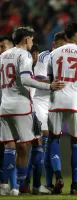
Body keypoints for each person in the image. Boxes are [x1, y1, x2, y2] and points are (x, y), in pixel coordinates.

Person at [0, 27, 65, 195]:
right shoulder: (24, 55)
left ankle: (9, 186)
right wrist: (49, 86)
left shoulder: (2, 56)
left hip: (4, 106)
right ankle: (28, 184)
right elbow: (26, 79)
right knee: (36, 143)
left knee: (9, 145)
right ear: (26, 40)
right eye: (31, 39)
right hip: (21, 106)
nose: (32, 42)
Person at [47, 23, 77, 194]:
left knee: (53, 139)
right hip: (76, 101)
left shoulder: (53, 54)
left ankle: (59, 176)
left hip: (57, 100)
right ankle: (74, 186)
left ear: (66, 37)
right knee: (76, 142)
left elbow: (50, 80)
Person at [20, 31, 68, 193]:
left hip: (56, 104)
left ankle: (42, 183)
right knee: (41, 142)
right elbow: (38, 78)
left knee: (50, 144)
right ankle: (30, 183)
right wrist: (57, 82)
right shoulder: (44, 56)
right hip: (40, 103)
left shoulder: (69, 57)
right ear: (54, 45)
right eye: (60, 46)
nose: (63, 49)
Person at [0, 35, 13, 195]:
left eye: (3, 47)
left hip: (10, 110)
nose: (1, 50)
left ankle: (14, 184)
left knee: (11, 147)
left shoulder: (16, 63)